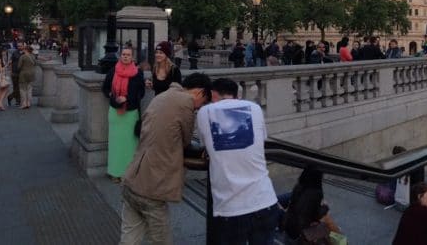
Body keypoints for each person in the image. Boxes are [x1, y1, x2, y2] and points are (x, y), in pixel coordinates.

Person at [118, 73, 212, 245]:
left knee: (129, 238)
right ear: (200, 92)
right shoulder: (186, 103)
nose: (200, 107)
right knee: (161, 240)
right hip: (153, 187)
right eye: (204, 102)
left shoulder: (163, 96)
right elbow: (185, 141)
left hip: (133, 178)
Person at [195, 78, 278, 244]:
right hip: (265, 200)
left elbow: (205, 145)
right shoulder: (255, 108)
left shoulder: (205, 112)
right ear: (236, 94)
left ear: (213, 94)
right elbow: (261, 140)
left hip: (230, 208)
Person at [102, 47, 147, 181]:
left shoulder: (138, 73)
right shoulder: (113, 71)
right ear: (120, 56)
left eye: (128, 55)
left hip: (131, 112)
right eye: (123, 54)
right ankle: (115, 172)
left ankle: (128, 173)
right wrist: (112, 95)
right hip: (115, 112)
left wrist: (127, 98)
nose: (125, 57)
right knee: (115, 144)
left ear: (132, 57)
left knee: (130, 145)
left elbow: (141, 92)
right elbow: (105, 88)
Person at [280, 167, 342, 244]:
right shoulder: (316, 193)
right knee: (331, 230)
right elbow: (316, 215)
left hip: (288, 229)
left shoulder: (298, 187)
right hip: (301, 234)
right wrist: (325, 207)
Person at [0, 47, 10, 111]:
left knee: (2, 89)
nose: (5, 52)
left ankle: (0, 103)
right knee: (0, 89)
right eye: (4, 51)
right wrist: (6, 66)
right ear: (1, 51)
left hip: (1, 75)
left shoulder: (2, 58)